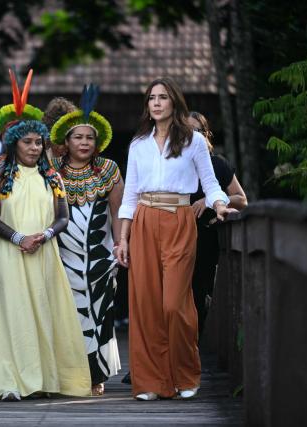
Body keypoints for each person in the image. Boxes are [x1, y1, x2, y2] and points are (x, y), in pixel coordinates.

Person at [115, 77, 237, 401]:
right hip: (142, 220)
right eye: (151, 98)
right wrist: (122, 239)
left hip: (180, 220)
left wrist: (221, 203)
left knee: (174, 304)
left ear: (175, 103)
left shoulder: (194, 141)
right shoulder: (138, 143)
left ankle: (185, 373)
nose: (156, 103)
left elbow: (211, 184)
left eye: (163, 97)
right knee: (147, 305)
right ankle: (151, 381)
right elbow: (128, 195)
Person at [0, 69, 91, 401]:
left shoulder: (53, 178)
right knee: (11, 313)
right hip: (9, 251)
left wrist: (42, 236)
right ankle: (10, 382)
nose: (34, 147)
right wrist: (19, 239)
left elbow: (63, 218)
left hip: (43, 252)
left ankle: (43, 377)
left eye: (39, 142)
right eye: (27, 142)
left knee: (44, 312)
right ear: (15, 143)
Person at [48, 84, 124, 396]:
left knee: (100, 312)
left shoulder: (109, 170)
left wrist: (121, 245)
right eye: (77, 136)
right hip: (62, 255)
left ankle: (96, 375)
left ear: (98, 142)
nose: (84, 142)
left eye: (89, 137)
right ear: (65, 142)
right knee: (68, 313)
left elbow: (119, 211)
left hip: (100, 256)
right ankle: (68, 375)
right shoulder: (52, 170)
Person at [187, 111, 247, 336]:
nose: (192, 135)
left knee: (200, 293)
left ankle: (196, 349)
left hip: (206, 239)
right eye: (187, 131)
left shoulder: (217, 164)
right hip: (175, 237)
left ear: (206, 135)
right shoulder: (174, 165)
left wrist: (211, 199)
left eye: (198, 131)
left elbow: (241, 199)